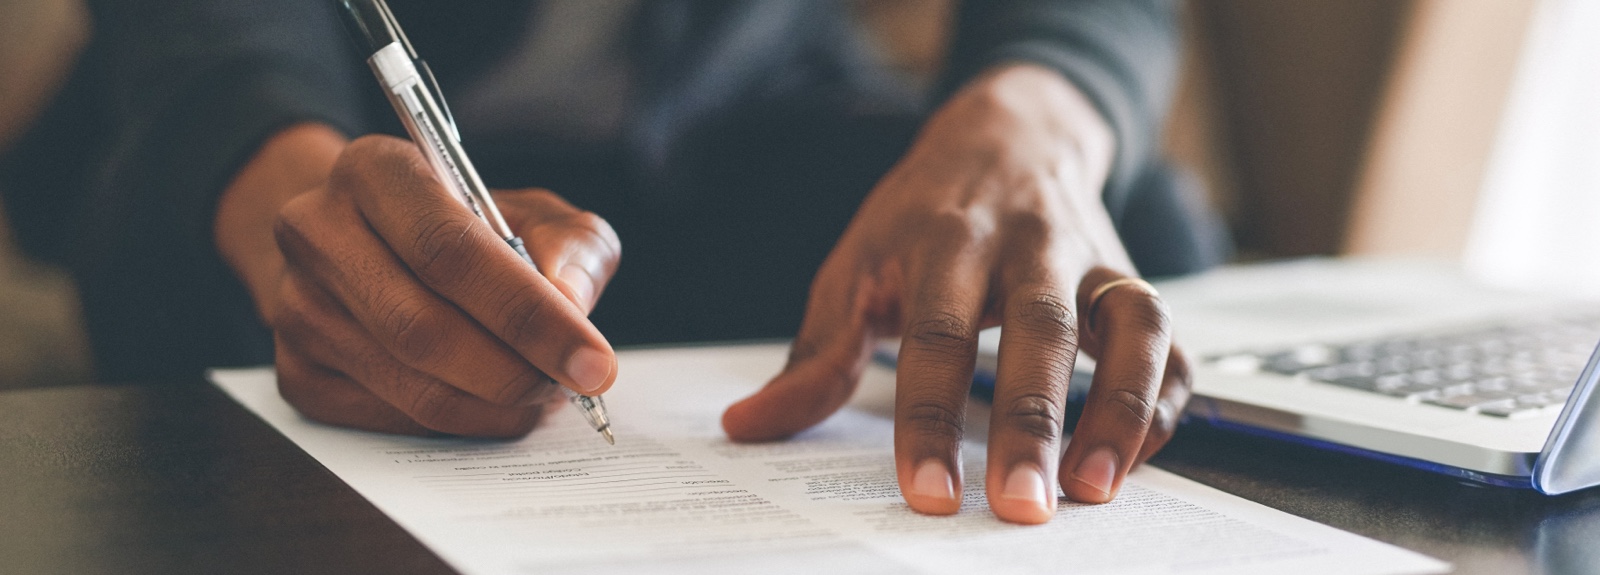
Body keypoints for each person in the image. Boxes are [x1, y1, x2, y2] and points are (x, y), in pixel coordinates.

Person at [0, 0, 1226, 525]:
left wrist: (1035, 120)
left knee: (1126, 241)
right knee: (185, 278)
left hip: (732, 114)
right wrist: (294, 199)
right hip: (277, 110)